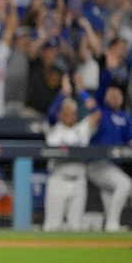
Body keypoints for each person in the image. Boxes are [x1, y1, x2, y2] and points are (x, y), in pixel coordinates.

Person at [43, 92, 101, 232]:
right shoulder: (53, 129)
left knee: (75, 227)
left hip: (79, 181)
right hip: (58, 179)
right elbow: (50, 113)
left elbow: (97, 113)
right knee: (52, 226)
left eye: (72, 112)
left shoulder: (82, 128)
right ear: (60, 114)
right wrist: (64, 94)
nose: (69, 115)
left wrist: (82, 92)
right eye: (66, 112)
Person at [86, 78, 132, 232]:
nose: (114, 97)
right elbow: (94, 100)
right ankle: (112, 224)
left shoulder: (126, 117)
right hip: (97, 163)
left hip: (112, 165)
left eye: (117, 95)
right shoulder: (101, 112)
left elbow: (130, 139)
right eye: (111, 94)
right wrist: (108, 72)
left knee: (110, 193)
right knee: (125, 184)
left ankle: (110, 228)